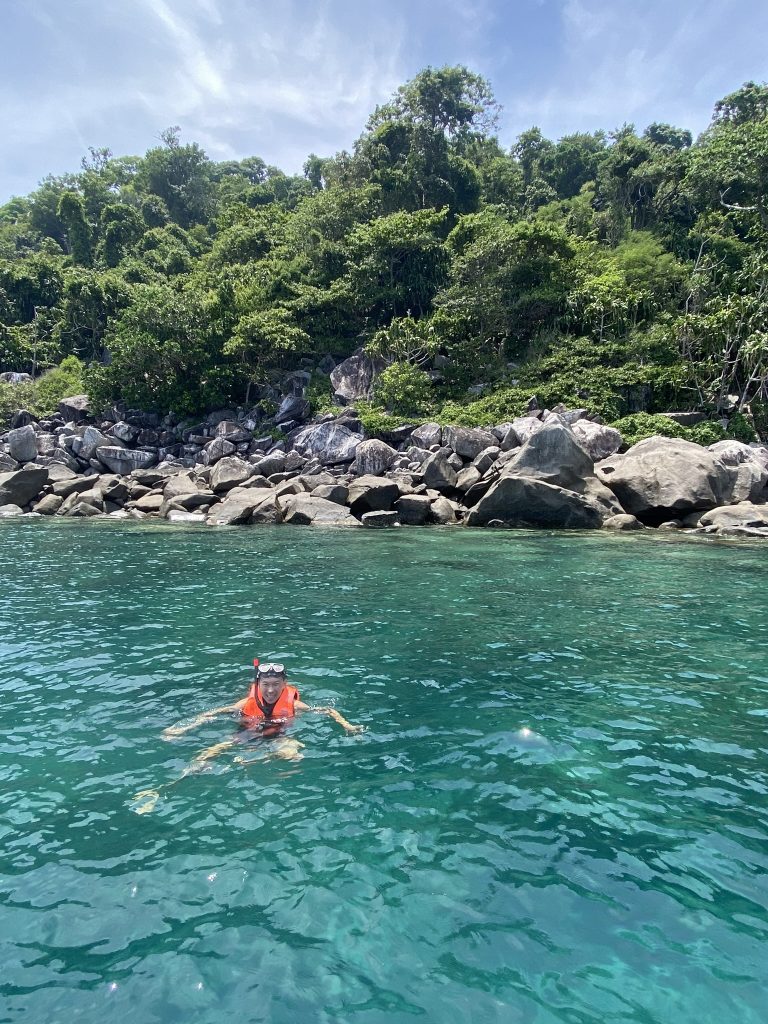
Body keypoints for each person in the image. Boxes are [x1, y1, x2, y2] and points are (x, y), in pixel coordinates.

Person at [131, 661, 363, 814]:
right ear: (257, 684)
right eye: (266, 685)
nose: (271, 690)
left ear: (284, 684)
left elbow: (327, 710)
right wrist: (181, 728)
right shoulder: (245, 704)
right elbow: (211, 713)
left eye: (275, 685)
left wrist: (347, 725)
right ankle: (165, 787)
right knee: (209, 753)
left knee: (292, 755)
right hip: (247, 734)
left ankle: (250, 760)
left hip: (279, 736)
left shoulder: (294, 703)